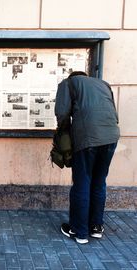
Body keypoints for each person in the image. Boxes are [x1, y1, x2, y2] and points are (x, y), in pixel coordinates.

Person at [55, 71, 120, 244]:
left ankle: (79, 232)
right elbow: (114, 113)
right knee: (99, 181)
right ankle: (96, 227)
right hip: (111, 136)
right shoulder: (103, 84)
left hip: (87, 138)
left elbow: (62, 113)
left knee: (82, 183)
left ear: (73, 77)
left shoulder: (68, 83)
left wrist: (64, 133)